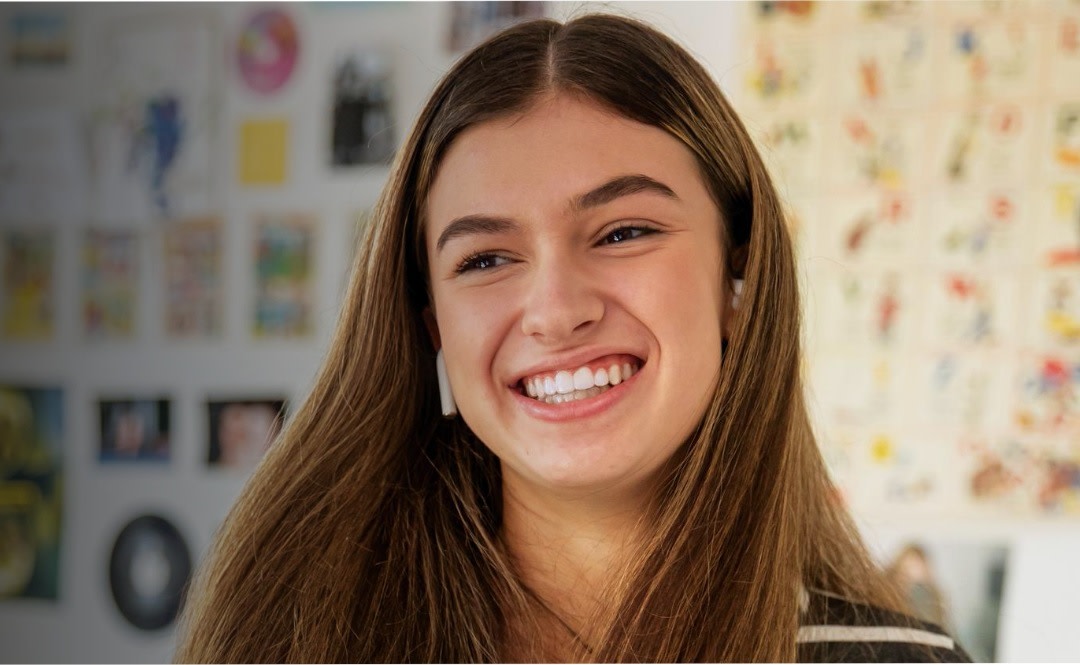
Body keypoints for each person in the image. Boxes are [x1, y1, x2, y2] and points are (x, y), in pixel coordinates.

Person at [175, 14, 970, 662]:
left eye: (623, 231)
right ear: (431, 323)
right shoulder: (289, 638)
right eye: (486, 258)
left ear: (740, 279)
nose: (554, 311)